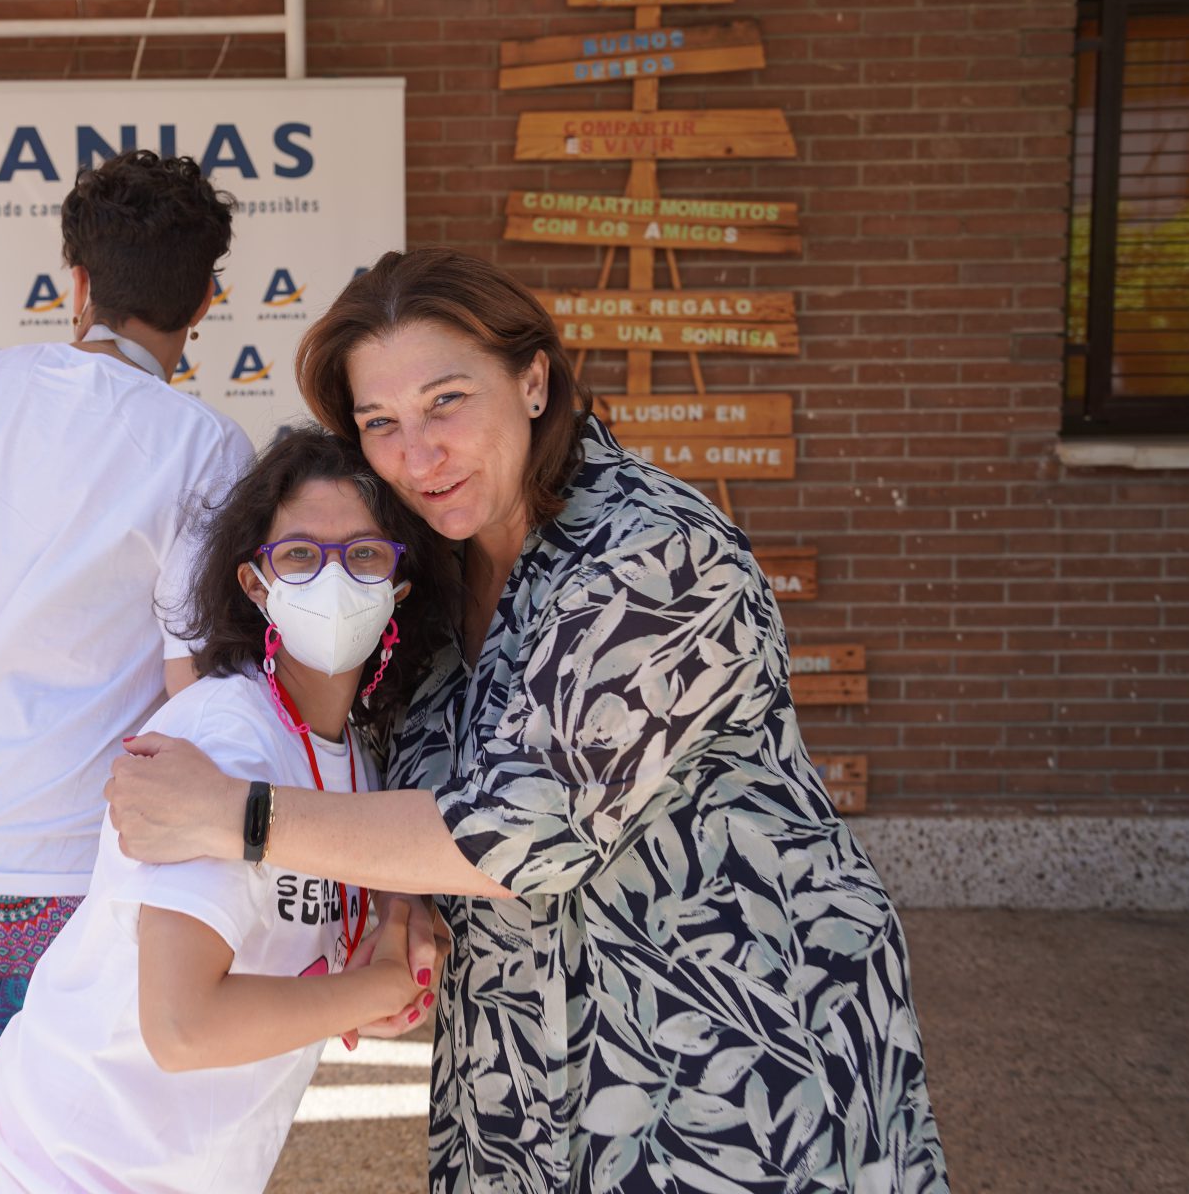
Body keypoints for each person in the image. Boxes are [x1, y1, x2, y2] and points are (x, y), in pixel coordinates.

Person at [107, 247, 951, 1193]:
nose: (416, 453)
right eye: (379, 421)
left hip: (728, 1057)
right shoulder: (428, 574)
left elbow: (522, 831)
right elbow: (410, 785)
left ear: (534, 380)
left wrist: (239, 816)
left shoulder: (655, 556)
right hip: (518, 1070)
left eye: (446, 402)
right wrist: (395, 901)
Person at [0, 427, 452, 1193]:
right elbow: (182, 1028)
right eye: (298, 556)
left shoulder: (356, 761)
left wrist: (374, 953)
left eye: (363, 556)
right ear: (256, 584)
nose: (332, 579)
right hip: (59, 1168)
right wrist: (377, 988)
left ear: (399, 584)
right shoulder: (225, 739)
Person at [0, 148, 254, 1105]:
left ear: (75, 279)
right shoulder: (205, 445)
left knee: (3, 1131)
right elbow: (190, 688)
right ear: (205, 300)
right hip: (104, 847)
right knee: (102, 1131)